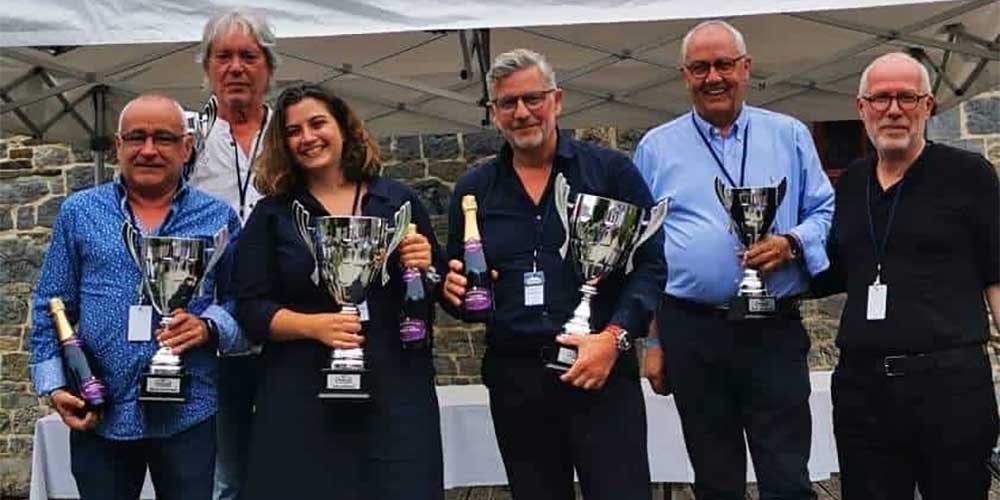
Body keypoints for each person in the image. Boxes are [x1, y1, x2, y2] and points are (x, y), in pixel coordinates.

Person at [441, 48, 666, 500]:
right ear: (494, 113)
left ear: (557, 100)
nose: (522, 113)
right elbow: (466, 297)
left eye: (533, 99)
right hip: (517, 379)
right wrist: (454, 294)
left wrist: (615, 337)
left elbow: (651, 266)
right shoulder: (473, 191)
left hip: (600, 373)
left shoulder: (610, 173)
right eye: (508, 103)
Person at [633, 20, 834, 500]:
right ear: (685, 75)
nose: (713, 77)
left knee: (786, 474)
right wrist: (654, 342)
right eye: (700, 67)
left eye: (724, 64)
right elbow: (645, 251)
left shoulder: (789, 135)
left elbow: (824, 209)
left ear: (746, 69)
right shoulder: (655, 148)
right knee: (714, 474)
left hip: (773, 329)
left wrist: (791, 242)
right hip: (692, 330)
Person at [234, 84, 444, 500]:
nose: (307, 137)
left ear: (344, 128)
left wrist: (424, 266)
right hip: (301, 392)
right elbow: (250, 308)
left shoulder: (397, 201)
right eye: (294, 131)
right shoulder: (273, 214)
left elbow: (432, 290)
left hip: (395, 386)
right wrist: (314, 327)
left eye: (317, 123)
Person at [29, 94, 242, 500]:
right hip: (101, 408)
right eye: (136, 137)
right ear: (118, 145)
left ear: (186, 147)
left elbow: (240, 300)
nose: (148, 150)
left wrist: (209, 326)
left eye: (163, 138)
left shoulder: (217, 217)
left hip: (190, 408)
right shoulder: (80, 212)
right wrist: (54, 386)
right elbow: (50, 304)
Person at [815, 52, 999, 499]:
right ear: (861, 109)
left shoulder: (969, 174)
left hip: (949, 386)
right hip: (863, 389)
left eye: (906, 98)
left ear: (927, 106)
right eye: (880, 98)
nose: (893, 109)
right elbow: (836, 270)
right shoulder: (852, 184)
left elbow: (998, 273)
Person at [188, 10, 277, 499]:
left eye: (249, 56)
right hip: (212, 330)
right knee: (224, 477)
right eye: (224, 57)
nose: (236, 67)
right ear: (207, 68)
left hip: (282, 327)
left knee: (285, 460)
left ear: (268, 67)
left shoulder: (293, 135)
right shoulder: (187, 139)